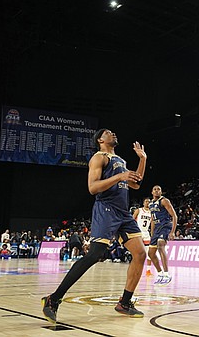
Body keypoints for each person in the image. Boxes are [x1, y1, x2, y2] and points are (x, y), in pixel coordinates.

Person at [42, 129, 148, 321]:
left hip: (123, 213)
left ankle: (124, 302)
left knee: (140, 254)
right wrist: (119, 177)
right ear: (100, 139)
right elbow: (93, 188)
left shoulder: (121, 161)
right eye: (108, 132)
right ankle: (53, 299)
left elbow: (136, 184)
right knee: (95, 254)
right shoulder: (98, 158)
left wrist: (142, 159)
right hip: (106, 208)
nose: (114, 133)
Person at [148, 185, 178, 285]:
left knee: (161, 245)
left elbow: (174, 215)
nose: (157, 191)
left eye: (159, 189)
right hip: (156, 228)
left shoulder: (164, 201)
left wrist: (172, 231)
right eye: (155, 189)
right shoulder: (151, 204)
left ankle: (166, 274)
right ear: (152, 192)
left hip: (165, 225)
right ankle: (160, 273)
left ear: (161, 192)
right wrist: (152, 234)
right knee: (151, 253)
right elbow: (152, 220)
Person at [133, 198, 153, 276]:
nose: (147, 203)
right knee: (137, 253)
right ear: (143, 202)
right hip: (138, 232)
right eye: (146, 201)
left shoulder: (151, 213)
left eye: (149, 201)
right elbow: (132, 220)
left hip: (146, 233)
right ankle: (136, 269)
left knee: (149, 252)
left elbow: (152, 224)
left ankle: (148, 271)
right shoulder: (139, 210)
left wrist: (152, 233)